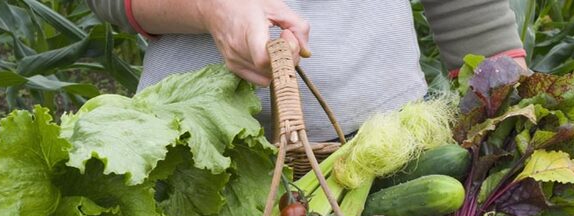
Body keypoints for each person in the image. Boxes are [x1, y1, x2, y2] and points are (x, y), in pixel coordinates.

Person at [87, 0, 527, 142]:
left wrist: (526, 128)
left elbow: (469, 9)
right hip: (191, 152)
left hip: (383, 151)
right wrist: (212, 9)